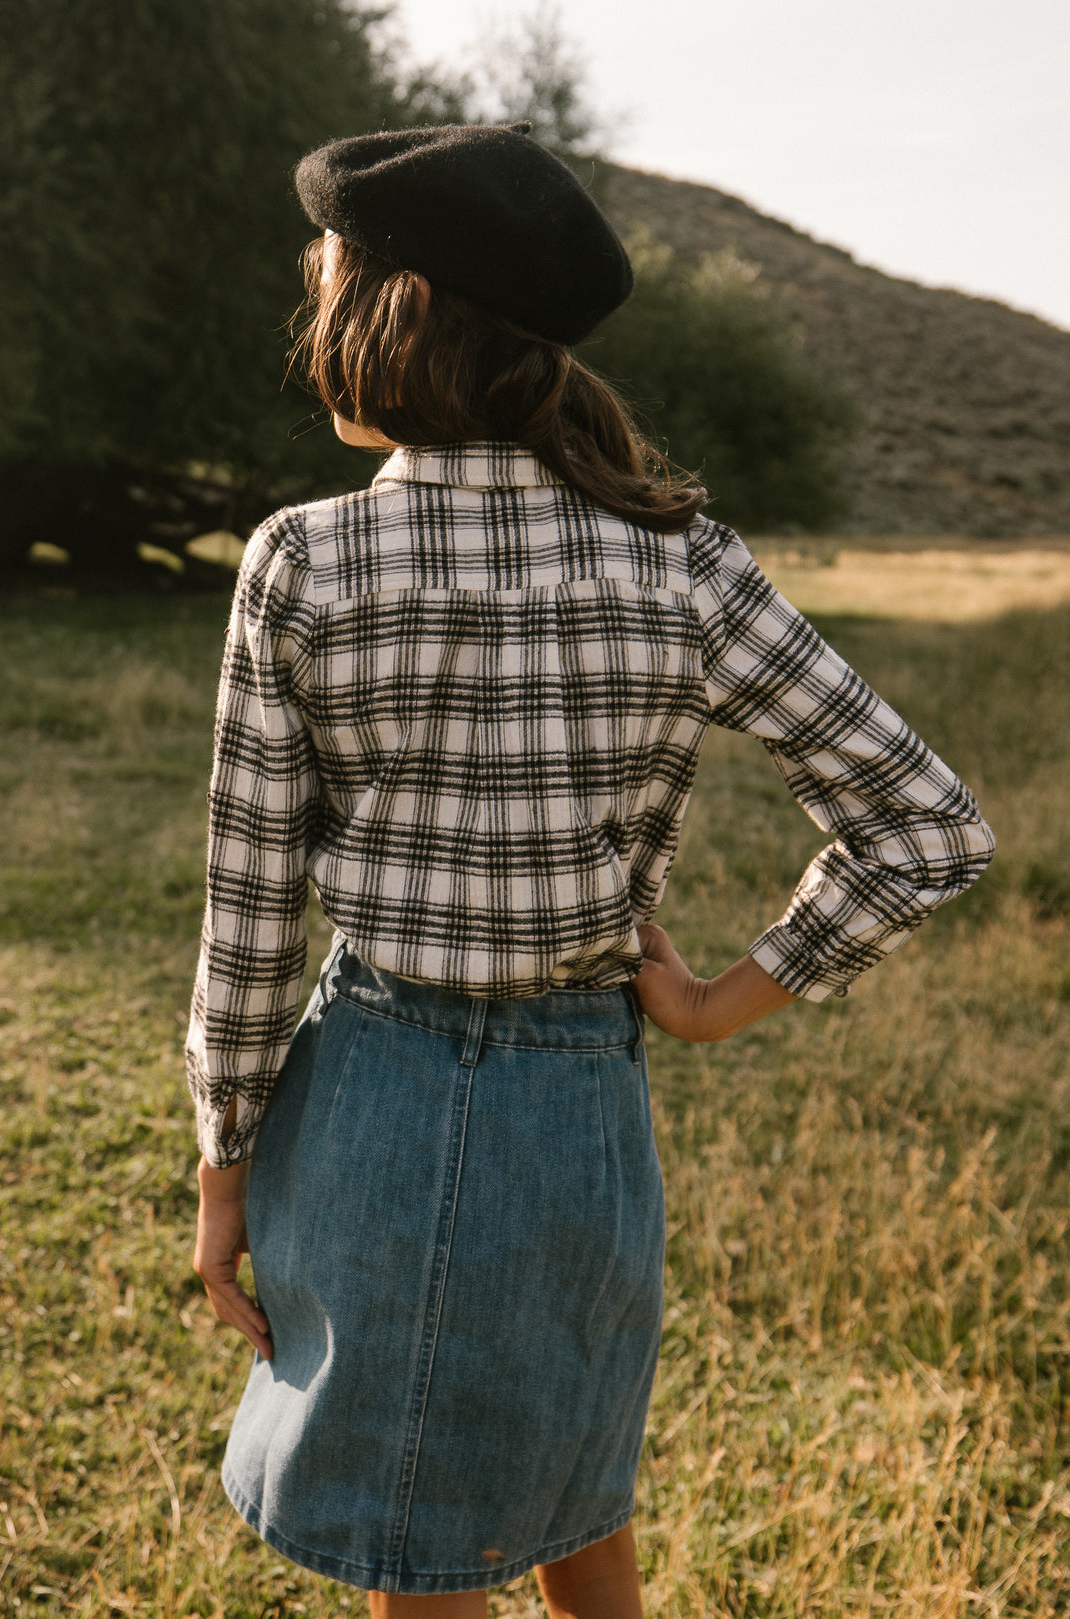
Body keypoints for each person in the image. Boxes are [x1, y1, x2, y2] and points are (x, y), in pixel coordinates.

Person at [187, 124, 995, 1617]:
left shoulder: (303, 563)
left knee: (420, 1552)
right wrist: (715, 1004)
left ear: (403, 308)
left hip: (368, 1102)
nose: (318, 316)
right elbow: (925, 822)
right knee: (574, 1497)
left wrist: (222, 1167)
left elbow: (249, 928)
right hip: (582, 1120)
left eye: (331, 283)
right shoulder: (680, 560)